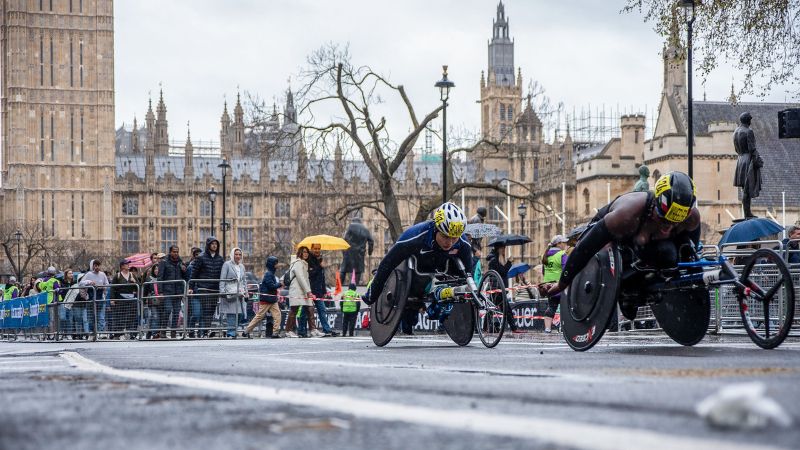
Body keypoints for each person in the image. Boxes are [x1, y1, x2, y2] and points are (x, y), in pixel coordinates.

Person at [546, 172, 701, 321]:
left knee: (671, 255)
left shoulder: (691, 218)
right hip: (617, 233)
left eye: (675, 222)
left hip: (647, 243)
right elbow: (584, 249)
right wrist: (562, 283)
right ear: (655, 205)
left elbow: (689, 255)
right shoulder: (625, 216)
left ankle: (644, 284)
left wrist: (690, 267)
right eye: (663, 218)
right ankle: (627, 288)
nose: (668, 226)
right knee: (639, 247)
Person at [365, 202, 474, 333]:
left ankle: (440, 303)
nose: (450, 242)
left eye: (454, 238)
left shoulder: (462, 243)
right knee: (409, 319)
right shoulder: (416, 234)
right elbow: (387, 264)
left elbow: (468, 275)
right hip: (414, 277)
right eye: (445, 236)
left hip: (441, 271)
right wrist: (372, 294)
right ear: (436, 229)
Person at [190, 237, 224, 337]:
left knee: (210, 311)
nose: (214, 245)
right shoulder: (201, 257)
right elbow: (194, 273)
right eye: (212, 244)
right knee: (202, 312)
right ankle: (198, 331)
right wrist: (191, 287)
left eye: (216, 244)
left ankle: (205, 331)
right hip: (203, 288)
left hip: (214, 289)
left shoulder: (220, 259)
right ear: (208, 245)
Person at [284, 246, 320, 338]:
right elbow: (301, 278)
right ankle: (288, 330)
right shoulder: (298, 263)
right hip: (297, 290)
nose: (306, 254)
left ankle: (313, 329)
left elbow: (305, 279)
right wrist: (308, 291)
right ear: (300, 253)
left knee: (310, 308)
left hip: (303, 290)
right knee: (294, 309)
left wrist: (308, 290)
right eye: (304, 252)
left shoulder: (304, 263)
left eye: (307, 252)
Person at [244, 256, 283, 338]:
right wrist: (279, 284)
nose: (277, 265)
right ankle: (246, 331)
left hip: (272, 299)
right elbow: (271, 286)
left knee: (277, 315)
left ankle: (275, 333)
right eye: (276, 263)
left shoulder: (270, 273)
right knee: (259, 316)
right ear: (272, 264)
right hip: (267, 300)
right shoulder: (269, 274)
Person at [733, 112, 762, 219]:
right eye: (750, 120)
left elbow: (736, 149)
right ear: (748, 120)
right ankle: (747, 213)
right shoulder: (748, 131)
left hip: (740, 160)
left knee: (744, 189)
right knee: (747, 189)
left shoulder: (736, 131)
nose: (751, 122)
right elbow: (752, 148)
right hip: (748, 160)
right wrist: (758, 160)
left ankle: (747, 212)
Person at [157, 245, 190, 338]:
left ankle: (173, 332)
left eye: (177, 252)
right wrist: (160, 292)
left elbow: (186, 277)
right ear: (170, 252)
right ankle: (163, 330)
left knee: (176, 312)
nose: (176, 253)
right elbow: (160, 278)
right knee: (167, 310)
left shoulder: (180, 262)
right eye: (174, 252)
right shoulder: (164, 262)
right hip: (167, 291)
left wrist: (184, 270)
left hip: (178, 291)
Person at [487, 244, 520, 334]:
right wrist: (509, 262)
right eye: (503, 248)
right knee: (506, 309)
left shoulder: (497, 259)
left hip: (499, 288)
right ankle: (514, 328)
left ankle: (484, 327)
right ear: (498, 249)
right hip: (497, 288)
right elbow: (503, 272)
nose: (504, 250)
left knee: (491, 308)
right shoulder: (494, 260)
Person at [307, 243, 338, 337]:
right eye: (315, 248)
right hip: (310, 290)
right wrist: (319, 266)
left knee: (322, 310)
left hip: (318, 292)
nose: (317, 250)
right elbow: (311, 274)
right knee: (306, 311)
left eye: (318, 249)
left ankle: (327, 329)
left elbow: (322, 278)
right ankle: (302, 330)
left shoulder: (319, 260)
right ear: (311, 249)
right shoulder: (308, 260)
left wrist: (324, 291)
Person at [540, 235, 569, 333]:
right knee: (566, 307)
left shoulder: (545, 255)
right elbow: (567, 270)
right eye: (564, 242)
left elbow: (543, 272)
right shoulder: (562, 254)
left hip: (549, 288)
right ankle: (564, 327)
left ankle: (547, 329)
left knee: (552, 307)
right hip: (561, 286)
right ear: (559, 244)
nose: (565, 244)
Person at [219, 247, 247, 338]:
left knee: (240, 314)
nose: (238, 256)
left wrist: (246, 292)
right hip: (230, 292)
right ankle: (231, 333)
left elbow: (244, 280)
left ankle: (234, 331)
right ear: (232, 255)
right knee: (231, 313)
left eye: (239, 254)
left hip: (240, 292)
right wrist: (222, 292)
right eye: (236, 254)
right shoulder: (227, 264)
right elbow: (222, 279)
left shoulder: (242, 266)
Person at [339, 217, 374, 286]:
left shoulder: (350, 226)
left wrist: (343, 251)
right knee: (358, 270)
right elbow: (371, 241)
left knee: (344, 269)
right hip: (360, 253)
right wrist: (370, 252)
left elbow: (345, 239)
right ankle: (354, 287)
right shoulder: (365, 229)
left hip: (349, 251)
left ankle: (339, 285)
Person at [110, 259, 139, 340]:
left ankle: (130, 333)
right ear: (122, 266)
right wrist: (112, 299)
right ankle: (119, 333)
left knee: (131, 316)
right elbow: (112, 288)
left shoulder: (132, 275)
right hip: (120, 298)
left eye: (128, 264)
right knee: (120, 316)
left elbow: (138, 287)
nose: (128, 265)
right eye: (126, 264)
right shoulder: (117, 275)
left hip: (131, 299)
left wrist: (135, 283)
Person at [80, 259, 110, 335]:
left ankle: (101, 332)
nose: (97, 267)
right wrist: (89, 282)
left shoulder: (103, 274)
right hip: (91, 297)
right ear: (92, 266)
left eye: (98, 265)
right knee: (91, 317)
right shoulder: (88, 274)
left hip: (100, 297)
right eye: (95, 265)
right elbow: (81, 283)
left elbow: (107, 284)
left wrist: (103, 288)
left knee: (101, 317)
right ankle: (92, 332)